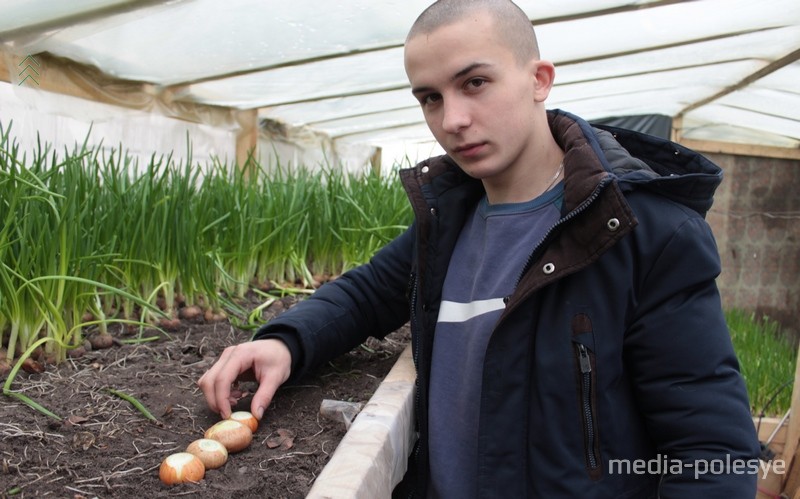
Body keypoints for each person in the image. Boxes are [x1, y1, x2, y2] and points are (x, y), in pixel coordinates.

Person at [199, 0, 761, 496]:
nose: (453, 120)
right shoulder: (450, 222)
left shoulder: (641, 234)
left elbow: (713, 453)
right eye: (430, 98)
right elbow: (367, 293)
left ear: (538, 79)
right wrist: (285, 342)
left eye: (474, 83)